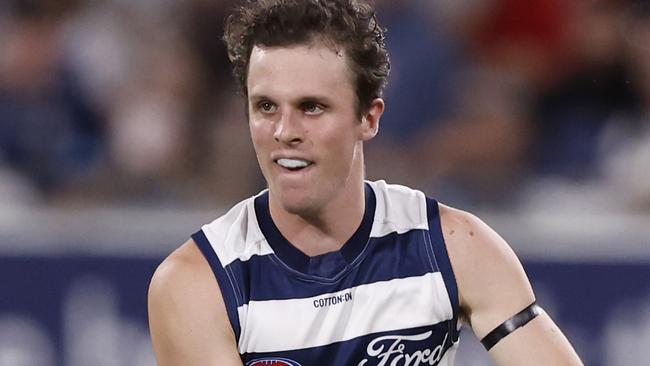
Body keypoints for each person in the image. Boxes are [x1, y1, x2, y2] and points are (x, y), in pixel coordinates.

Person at [147, 1, 584, 365]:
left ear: (368, 117)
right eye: (265, 107)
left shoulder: (452, 245)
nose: (284, 131)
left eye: (312, 107)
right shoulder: (198, 283)